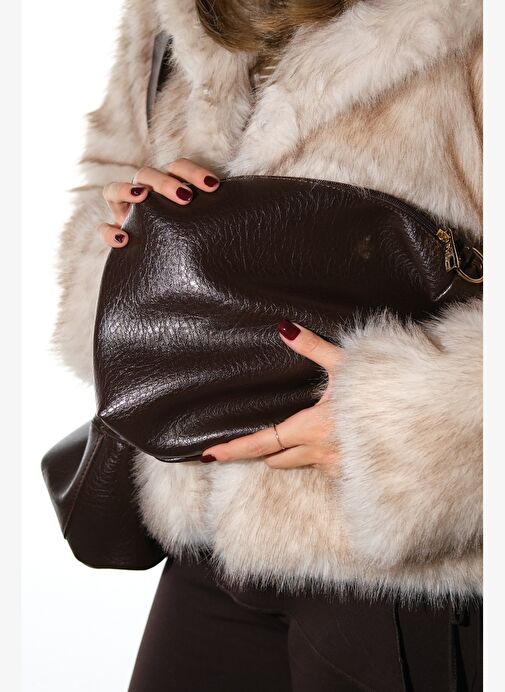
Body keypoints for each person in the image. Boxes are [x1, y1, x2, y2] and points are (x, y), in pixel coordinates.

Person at [54, 0, 483, 689]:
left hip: (403, 567)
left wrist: (409, 424)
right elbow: (101, 211)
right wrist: (129, 238)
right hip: (207, 538)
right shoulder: (168, 12)